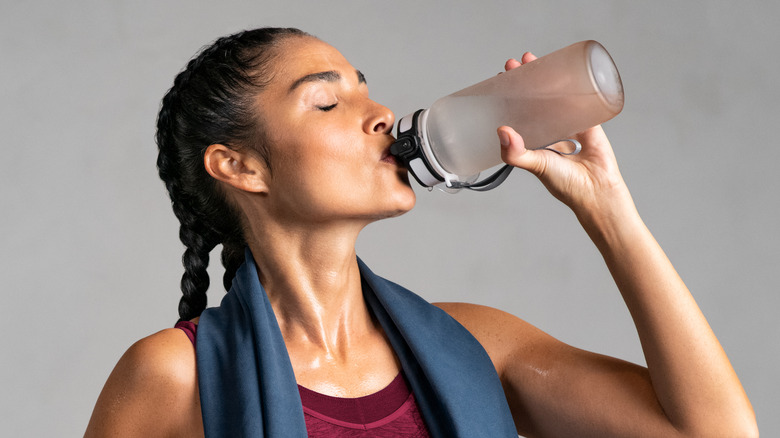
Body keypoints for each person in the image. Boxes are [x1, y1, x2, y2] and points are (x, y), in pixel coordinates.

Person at [84, 27, 757, 437]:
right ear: (241, 165)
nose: (379, 113)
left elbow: (716, 432)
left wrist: (610, 211)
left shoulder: (478, 346)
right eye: (327, 101)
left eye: (366, 89)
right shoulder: (173, 376)